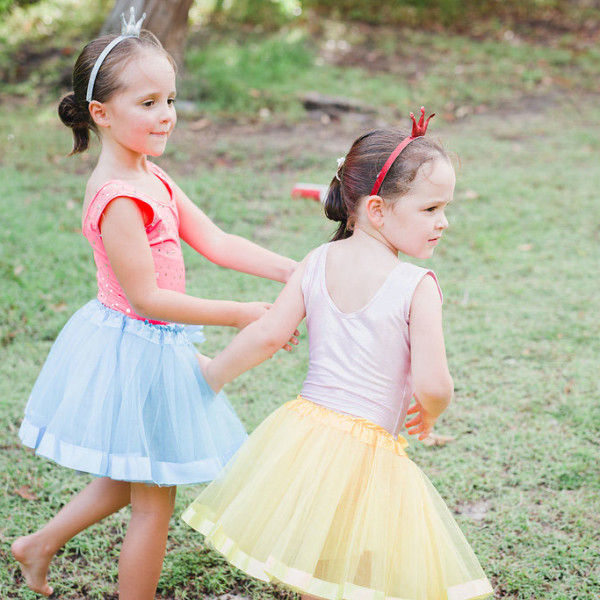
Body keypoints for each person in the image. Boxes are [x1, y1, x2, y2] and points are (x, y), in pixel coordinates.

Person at [10, 10, 297, 599]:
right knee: (152, 503)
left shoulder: (153, 176)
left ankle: (36, 545)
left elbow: (216, 242)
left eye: (170, 99)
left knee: (128, 477)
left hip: (154, 344)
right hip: (135, 348)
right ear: (101, 113)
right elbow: (149, 298)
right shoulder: (117, 196)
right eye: (147, 103)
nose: (166, 114)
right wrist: (244, 312)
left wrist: (293, 270)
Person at [182, 108, 494, 599]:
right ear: (376, 209)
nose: (444, 222)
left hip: (304, 436)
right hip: (369, 451)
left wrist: (213, 374)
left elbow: (267, 336)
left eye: (445, 208)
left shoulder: (316, 260)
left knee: (319, 564)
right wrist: (430, 415)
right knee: (359, 572)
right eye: (431, 210)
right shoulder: (417, 286)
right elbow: (434, 385)